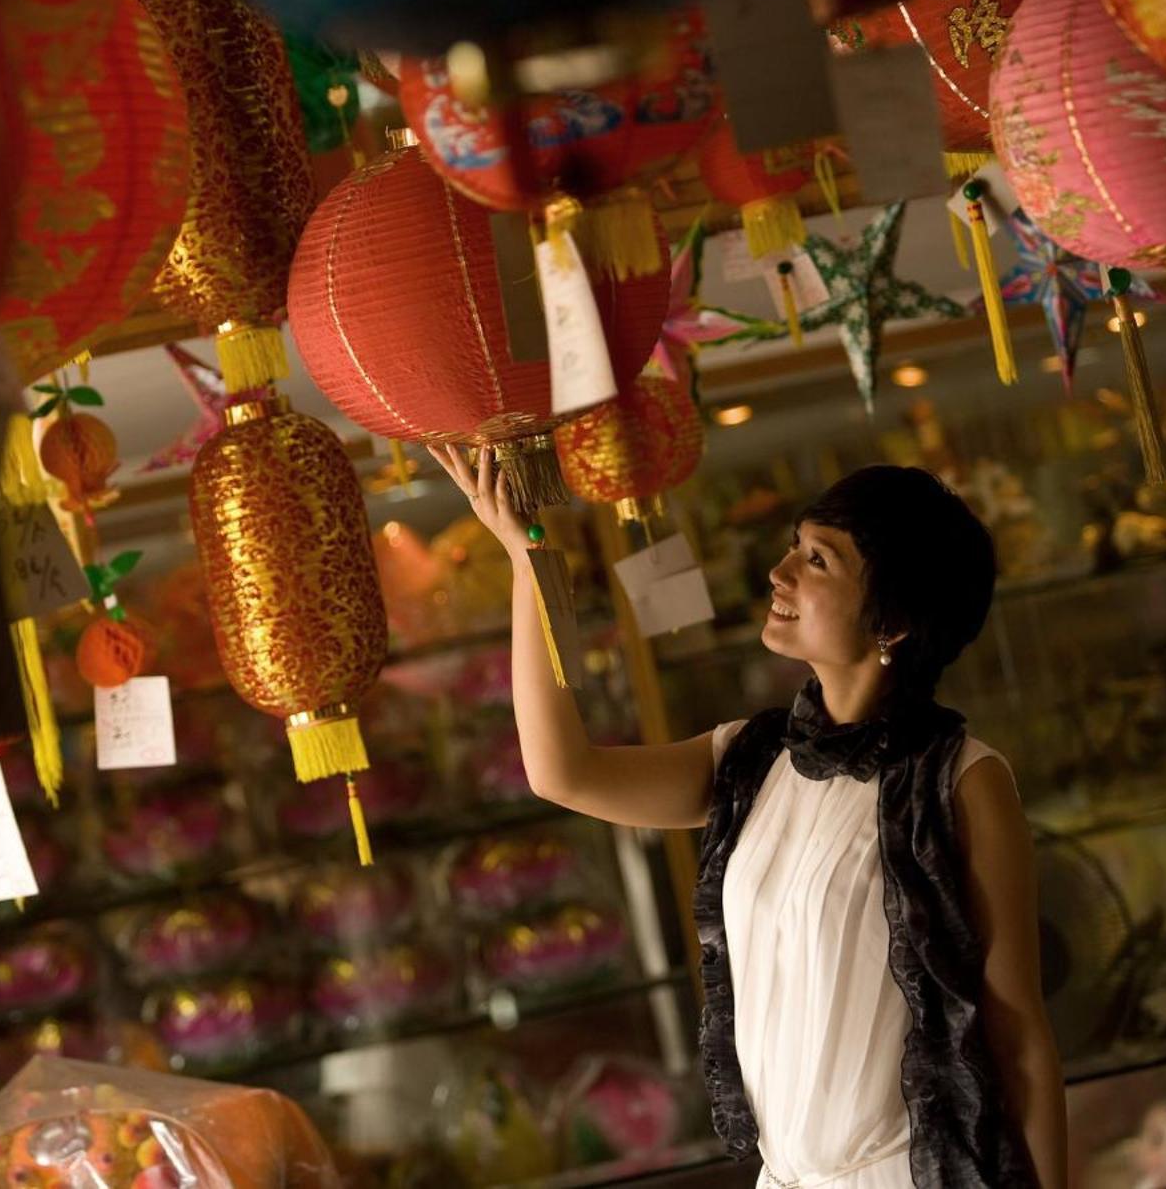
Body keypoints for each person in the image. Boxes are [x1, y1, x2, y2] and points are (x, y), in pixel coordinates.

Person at [434, 448, 1066, 1189]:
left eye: (818, 560)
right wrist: (527, 556)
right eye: (794, 548)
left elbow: (1017, 1031)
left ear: (891, 618)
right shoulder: (751, 756)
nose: (781, 573)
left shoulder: (962, 779)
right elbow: (561, 771)